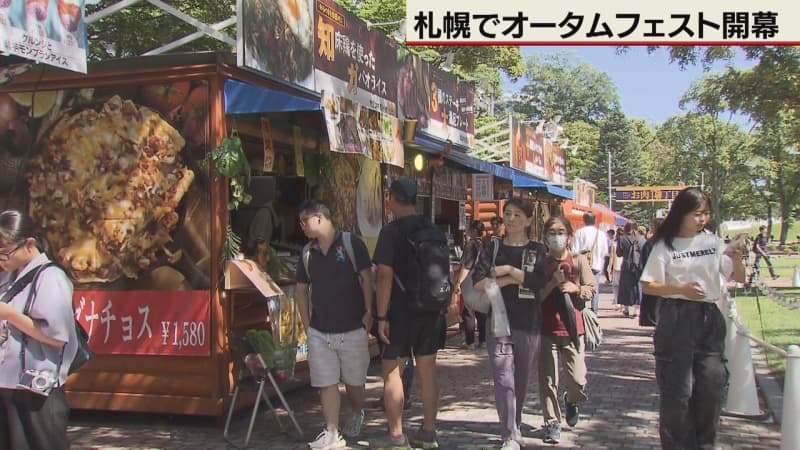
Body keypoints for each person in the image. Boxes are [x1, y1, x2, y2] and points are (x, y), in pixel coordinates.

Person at [639, 187, 745, 450]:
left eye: (706, 214)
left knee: (712, 385)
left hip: (708, 318)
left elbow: (738, 277)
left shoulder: (713, 243)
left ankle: (704, 443)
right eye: (697, 214)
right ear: (682, 213)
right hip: (676, 318)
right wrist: (680, 289)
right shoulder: (665, 245)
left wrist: (738, 259)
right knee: (678, 394)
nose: (702, 219)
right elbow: (649, 285)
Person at [371, 177, 446, 450]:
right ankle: (428, 432)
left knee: (392, 372)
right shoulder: (434, 230)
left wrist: (381, 318)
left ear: (391, 198)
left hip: (400, 311)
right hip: (431, 309)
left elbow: (384, 277)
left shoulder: (391, 232)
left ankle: (396, 437)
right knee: (428, 372)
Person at [294, 201, 374, 450]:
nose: (302, 227)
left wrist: (369, 312)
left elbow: (366, 278)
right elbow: (300, 290)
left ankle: (357, 411)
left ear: (319, 218)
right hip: (320, 330)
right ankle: (331, 431)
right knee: (326, 382)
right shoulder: (307, 252)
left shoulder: (351, 243)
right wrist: (307, 325)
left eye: (304, 221)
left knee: (354, 383)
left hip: (352, 327)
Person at [472, 198, 548, 450]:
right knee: (503, 378)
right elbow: (478, 281)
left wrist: (510, 273)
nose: (511, 218)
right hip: (498, 323)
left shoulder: (537, 250)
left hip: (528, 323)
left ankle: (515, 420)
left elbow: (538, 282)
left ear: (528, 220)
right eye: (508, 213)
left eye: (517, 215)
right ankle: (509, 433)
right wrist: (505, 277)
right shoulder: (492, 247)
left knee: (521, 379)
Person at [0, 210, 78, 450]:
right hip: (7, 384)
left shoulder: (50, 277)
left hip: (37, 389)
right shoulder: (7, 277)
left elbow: (57, 336)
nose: (1, 260)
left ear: (29, 244)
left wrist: (10, 315)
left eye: (4, 252)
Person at [537, 215, 596, 445]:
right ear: (545, 237)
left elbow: (591, 288)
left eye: (561, 232)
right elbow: (534, 297)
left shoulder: (579, 261)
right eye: (552, 232)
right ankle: (552, 422)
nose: (556, 237)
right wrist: (552, 283)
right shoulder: (540, 264)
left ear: (569, 236)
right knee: (548, 379)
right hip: (546, 328)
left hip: (573, 329)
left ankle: (571, 400)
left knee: (578, 379)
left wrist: (575, 288)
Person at [455, 220, 488, 350]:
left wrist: (459, 282)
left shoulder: (471, 245)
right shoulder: (485, 244)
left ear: (474, 230)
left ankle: (470, 341)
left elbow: (466, 266)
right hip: (483, 277)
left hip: (471, 278)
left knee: (469, 310)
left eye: (470, 229)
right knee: (481, 310)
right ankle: (483, 340)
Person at [570, 212, 608, 314]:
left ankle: (582, 310)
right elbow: (605, 251)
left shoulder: (579, 232)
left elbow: (574, 250)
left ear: (584, 220)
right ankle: (594, 311)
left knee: (581, 287)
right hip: (597, 264)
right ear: (595, 220)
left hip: (582, 265)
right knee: (594, 288)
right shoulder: (601, 234)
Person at [616, 222, 645, 318]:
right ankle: (637, 309)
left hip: (626, 265)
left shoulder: (622, 238)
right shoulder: (641, 238)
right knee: (637, 286)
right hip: (638, 266)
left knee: (625, 287)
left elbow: (619, 253)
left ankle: (626, 308)